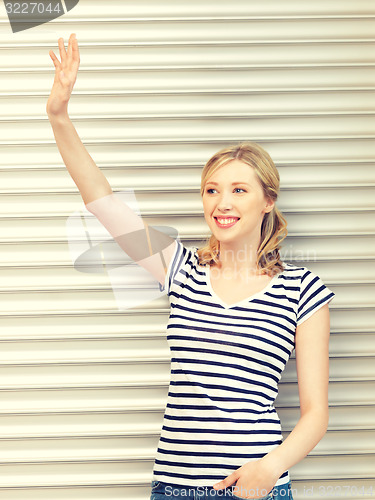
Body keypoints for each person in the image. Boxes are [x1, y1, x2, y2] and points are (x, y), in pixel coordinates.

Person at [47, 34, 336, 500]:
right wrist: (59, 116)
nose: (222, 202)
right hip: (173, 488)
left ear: (268, 200)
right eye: (211, 190)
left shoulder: (303, 289)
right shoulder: (179, 267)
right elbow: (100, 199)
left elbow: (316, 412)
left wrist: (272, 468)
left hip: (256, 489)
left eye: (240, 190)